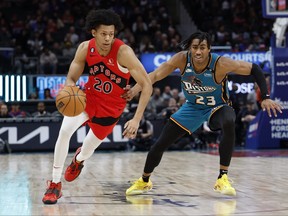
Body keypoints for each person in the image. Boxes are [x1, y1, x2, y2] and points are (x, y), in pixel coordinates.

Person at [124, 31, 283, 197]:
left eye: (202, 48)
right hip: (192, 107)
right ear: (190, 48)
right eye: (194, 47)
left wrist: (265, 97)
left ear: (209, 49)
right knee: (160, 143)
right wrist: (137, 87)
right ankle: (144, 180)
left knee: (229, 119)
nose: (198, 52)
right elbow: (155, 75)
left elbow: (255, 69)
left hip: (217, 107)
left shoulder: (221, 64)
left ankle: (222, 177)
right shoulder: (181, 59)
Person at [42, 9, 152, 204]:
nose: (108, 38)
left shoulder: (123, 52)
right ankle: (55, 184)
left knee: (87, 150)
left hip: (111, 108)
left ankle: (78, 160)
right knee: (64, 131)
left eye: (111, 34)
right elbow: (71, 77)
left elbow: (147, 85)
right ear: (94, 32)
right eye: (104, 34)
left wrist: (136, 118)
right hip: (88, 99)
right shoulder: (85, 48)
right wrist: (70, 89)